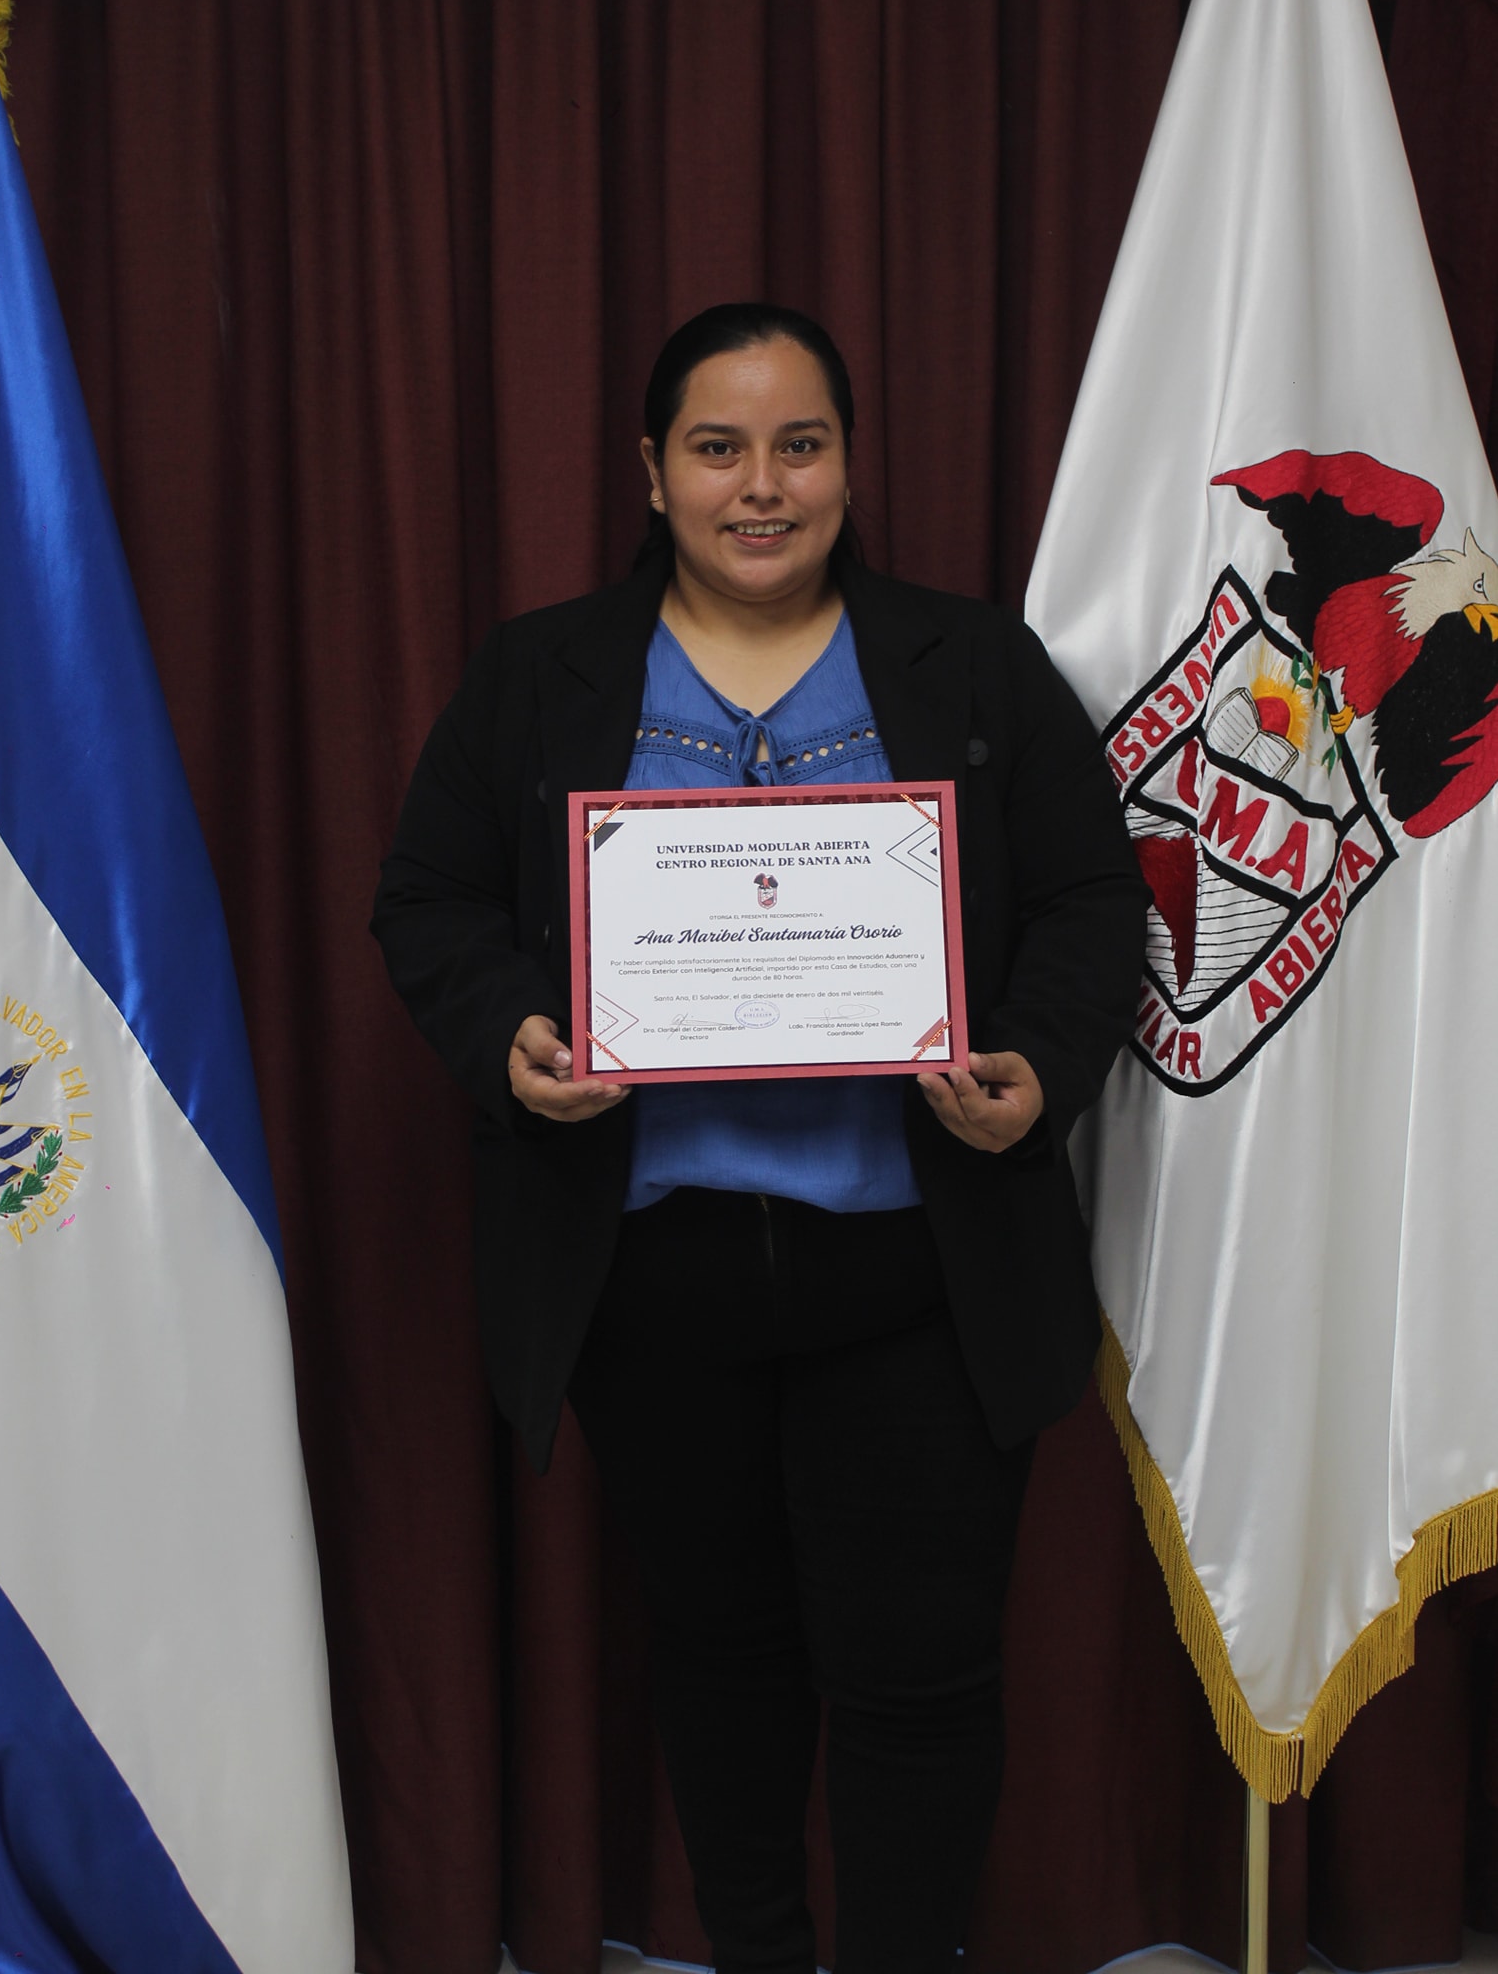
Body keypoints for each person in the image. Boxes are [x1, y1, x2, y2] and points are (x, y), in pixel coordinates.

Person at [372, 303, 1148, 1974]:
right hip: (654, 1276)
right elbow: (428, 900)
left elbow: (1093, 899)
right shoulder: (536, 674)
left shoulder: (972, 664)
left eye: (800, 445)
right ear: (651, 474)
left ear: (848, 467)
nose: (762, 486)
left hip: (922, 1274)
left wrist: (1035, 1060)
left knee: (919, 1679)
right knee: (719, 1660)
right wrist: (509, 1034)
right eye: (717, 449)